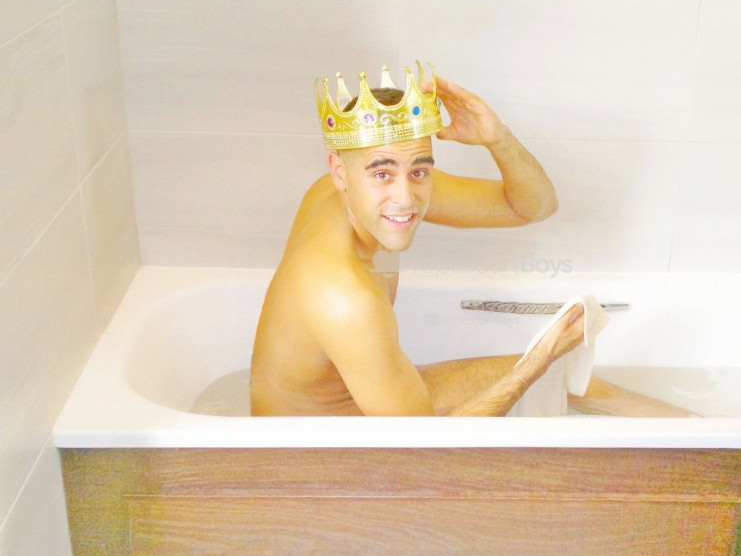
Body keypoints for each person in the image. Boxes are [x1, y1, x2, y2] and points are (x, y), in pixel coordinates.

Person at [249, 65, 691, 417]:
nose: (405, 198)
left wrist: (498, 140)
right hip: (318, 455)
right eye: (382, 173)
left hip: (372, 410)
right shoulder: (343, 295)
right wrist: (538, 361)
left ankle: (706, 440)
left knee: (575, 382)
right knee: (554, 374)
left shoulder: (363, 196)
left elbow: (532, 207)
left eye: (419, 171)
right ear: (339, 172)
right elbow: (426, 451)